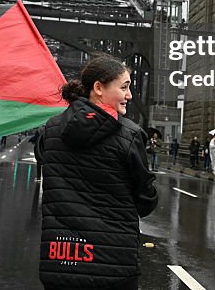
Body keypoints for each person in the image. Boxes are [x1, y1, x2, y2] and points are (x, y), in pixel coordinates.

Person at [36, 53, 158, 290]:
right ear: (99, 88)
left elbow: (45, 159)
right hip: (113, 266)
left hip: (60, 261)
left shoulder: (51, 129)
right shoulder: (130, 135)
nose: (130, 95)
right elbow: (145, 202)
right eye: (124, 87)